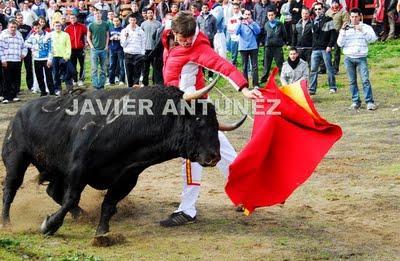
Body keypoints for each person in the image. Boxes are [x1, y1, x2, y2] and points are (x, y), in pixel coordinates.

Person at [160, 11, 262, 227]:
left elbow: (222, 66)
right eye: (182, 38)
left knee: (192, 156)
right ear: (174, 32)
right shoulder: (168, 37)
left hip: (191, 110)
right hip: (181, 105)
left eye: (189, 38)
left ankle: (188, 210)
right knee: (222, 151)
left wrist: (243, 89)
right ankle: (246, 195)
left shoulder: (199, 47)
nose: (187, 42)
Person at [337, 8, 378, 110]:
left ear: (360, 16)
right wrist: (342, 31)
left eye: (356, 16)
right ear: (349, 17)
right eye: (352, 17)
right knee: (352, 81)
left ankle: (369, 102)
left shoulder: (366, 27)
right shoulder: (345, 29)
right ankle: (356, 101)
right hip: (348, 58)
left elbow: (373, 39)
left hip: (361, 57)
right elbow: (339, 44)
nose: (354, 19)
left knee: (365, 80)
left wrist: (362, 30)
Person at [308, 2, 337, 95]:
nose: (317, 11)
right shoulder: (313, 21)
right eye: (315, 9)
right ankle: (312, 89)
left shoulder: (328, 19)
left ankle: (332, 87)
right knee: (313, 69)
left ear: (323, 9)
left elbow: (333, 34)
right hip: (315, 48)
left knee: (329, 68)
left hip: (325, 48)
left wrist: (330, 45)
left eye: (319, 9)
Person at [0, 20, 27, 104]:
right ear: (8, 27)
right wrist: (3, 60)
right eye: (11, 27)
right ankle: (6, 97)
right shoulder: (3, 36)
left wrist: (23, 54)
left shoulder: (19, 36)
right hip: (7, 60)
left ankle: (14, 95)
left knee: (16, 79)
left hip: (17, 60)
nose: (13, 28)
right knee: (6, 79)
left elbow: (24, 46)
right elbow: (0, 49)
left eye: (15, 27)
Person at [25, 20, 55, 96]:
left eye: (38, 28)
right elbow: (26, 43)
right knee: (39, 76)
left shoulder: (48, 35)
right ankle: (43, 92)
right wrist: (33, 46)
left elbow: (51, 48)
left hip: (46, 59)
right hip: (36, 59)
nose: (37, 30)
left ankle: (52, 92)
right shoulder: (32, 35)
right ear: (33, 29)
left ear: (41, 26)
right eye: (35, 28)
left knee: (49, 76)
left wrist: (50, 59)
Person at [260, 9, 287, 83]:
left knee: (280, 64)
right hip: (268, 47)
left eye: (272, 15)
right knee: (266, 64)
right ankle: (264, 79)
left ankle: (283, 78)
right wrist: (264, 42)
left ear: (274, 15)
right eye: (269, 15)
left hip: (278, 47)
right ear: (267, 16)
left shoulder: (280, 24)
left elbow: (284, 34)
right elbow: (263, 35)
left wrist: (283, 42)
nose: (271, 17)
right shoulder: (266, 24)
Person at [236, 9, 260, 88]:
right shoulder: (240, 23)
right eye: (246, 14)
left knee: (254, 66)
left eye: (249, 14)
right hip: (243, 47)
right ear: (243, 15)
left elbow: (258, 32)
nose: (247, 16)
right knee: (244, 66)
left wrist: (251, 23)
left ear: (251, 15)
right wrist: (240, 23)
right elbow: (236, 32)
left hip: (253, 47)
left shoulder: (253, 23)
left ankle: (255, 84)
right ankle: (245, 84)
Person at [88, 8, 110, 90]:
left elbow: (107, 36)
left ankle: (101, 85)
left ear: (101, 15)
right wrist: (91, 46)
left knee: (103, 68)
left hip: (103, 49)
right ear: (94, 15)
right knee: (94, 68)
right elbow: (88, 37)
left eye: (99, 13)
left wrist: (106, 45)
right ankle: (95, 85)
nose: (97, 15)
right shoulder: (91, 25)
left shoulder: (106, 24)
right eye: (96, 14)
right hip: (94, 49)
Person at [120, 15, 145, 87]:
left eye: (134, 20)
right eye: (131, 20)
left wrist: (142, 53)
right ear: (129, 21)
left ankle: (136, 90)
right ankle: (129, 88)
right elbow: (123, 45)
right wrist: (126, 37)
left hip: (138, 54)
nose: (132, 22)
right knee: (129, 73)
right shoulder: (124, 31)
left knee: (137, 73)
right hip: (128, 54)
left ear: (136, 21)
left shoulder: (140, 31)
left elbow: (143, 42)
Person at [325, 0, 349, 74]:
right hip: (328, 34)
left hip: (337, 34)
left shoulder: (343, 12)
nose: (334, 5)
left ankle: (335, 68)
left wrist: (342, 30)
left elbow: (346, 22)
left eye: (336, 3)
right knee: (326, 51)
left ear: (339, 4)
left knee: (336, 51)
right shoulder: (328, 12)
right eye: (333, 3)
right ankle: (326, 67)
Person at [64, 13, 87, 87]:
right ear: (69, 19)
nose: (73, 19)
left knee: (82, 65)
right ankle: (75, 79)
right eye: (71, 18)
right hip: (71, 49)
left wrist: (86, 43)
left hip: (80, 49)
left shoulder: (82, 26)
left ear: (76, 18)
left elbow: (87, 34)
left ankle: (81, 79)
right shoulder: (67, 28)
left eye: (74, 18)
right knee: (73, 66)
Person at [141, 8, 162, 86]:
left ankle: (155, 82)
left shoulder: (158, 24)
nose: (150, 14)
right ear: (146, 14)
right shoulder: (143, 24)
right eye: (148, 13)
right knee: (145, 67)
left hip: (155, 49)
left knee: (155, 68)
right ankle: (145, 83)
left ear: (153, 13)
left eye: (151, 12)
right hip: (146, 48)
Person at [50, 20, 72, 94]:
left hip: (64, 57)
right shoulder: (50, 35)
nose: (58, 27)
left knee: (67, 73)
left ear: (61, 26)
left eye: (59, 26)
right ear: (53, 27)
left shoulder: (66, 35)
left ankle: (69, 88)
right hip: (54, 57)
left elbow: (68, 46)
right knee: (55, 74)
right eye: (56, 26)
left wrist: (67, 56)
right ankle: (57, 89)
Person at [197, 3, 217, 81]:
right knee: (202, 58)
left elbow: (215, 29)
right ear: (201, 8)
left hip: (210, 40)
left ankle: (210, 75)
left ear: (208, 8)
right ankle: (203, 75)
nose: (205, 9)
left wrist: (210, 35)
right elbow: (197, 28)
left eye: (206, 7)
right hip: (201, 41)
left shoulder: (212, 18)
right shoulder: (198, 18)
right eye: (203, 7)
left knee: (210, 57)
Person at [15, 12, 33, 93]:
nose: (20, 19)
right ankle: (16, 88)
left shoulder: (28, 27)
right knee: (17, 70)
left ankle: (30, 86)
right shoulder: (14, 27)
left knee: (29, 68)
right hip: (17, 51)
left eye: (21, 18)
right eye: (18, 18)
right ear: (16, 19)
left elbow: (30, 38)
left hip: (27, 50)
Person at [109, 17, 125, 85]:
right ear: (112, 22)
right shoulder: (111, 29)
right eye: (114, 21)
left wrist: (120, 38)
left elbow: (125, 38)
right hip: (112, 49)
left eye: (117, 21)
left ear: (120, 21)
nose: (116, 22)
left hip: (120, 49)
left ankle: (121, 80)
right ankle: (111, 81)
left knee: (121, 65)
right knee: (112, 65)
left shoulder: (123, 29)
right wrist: (111, 38)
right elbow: (108, 38)